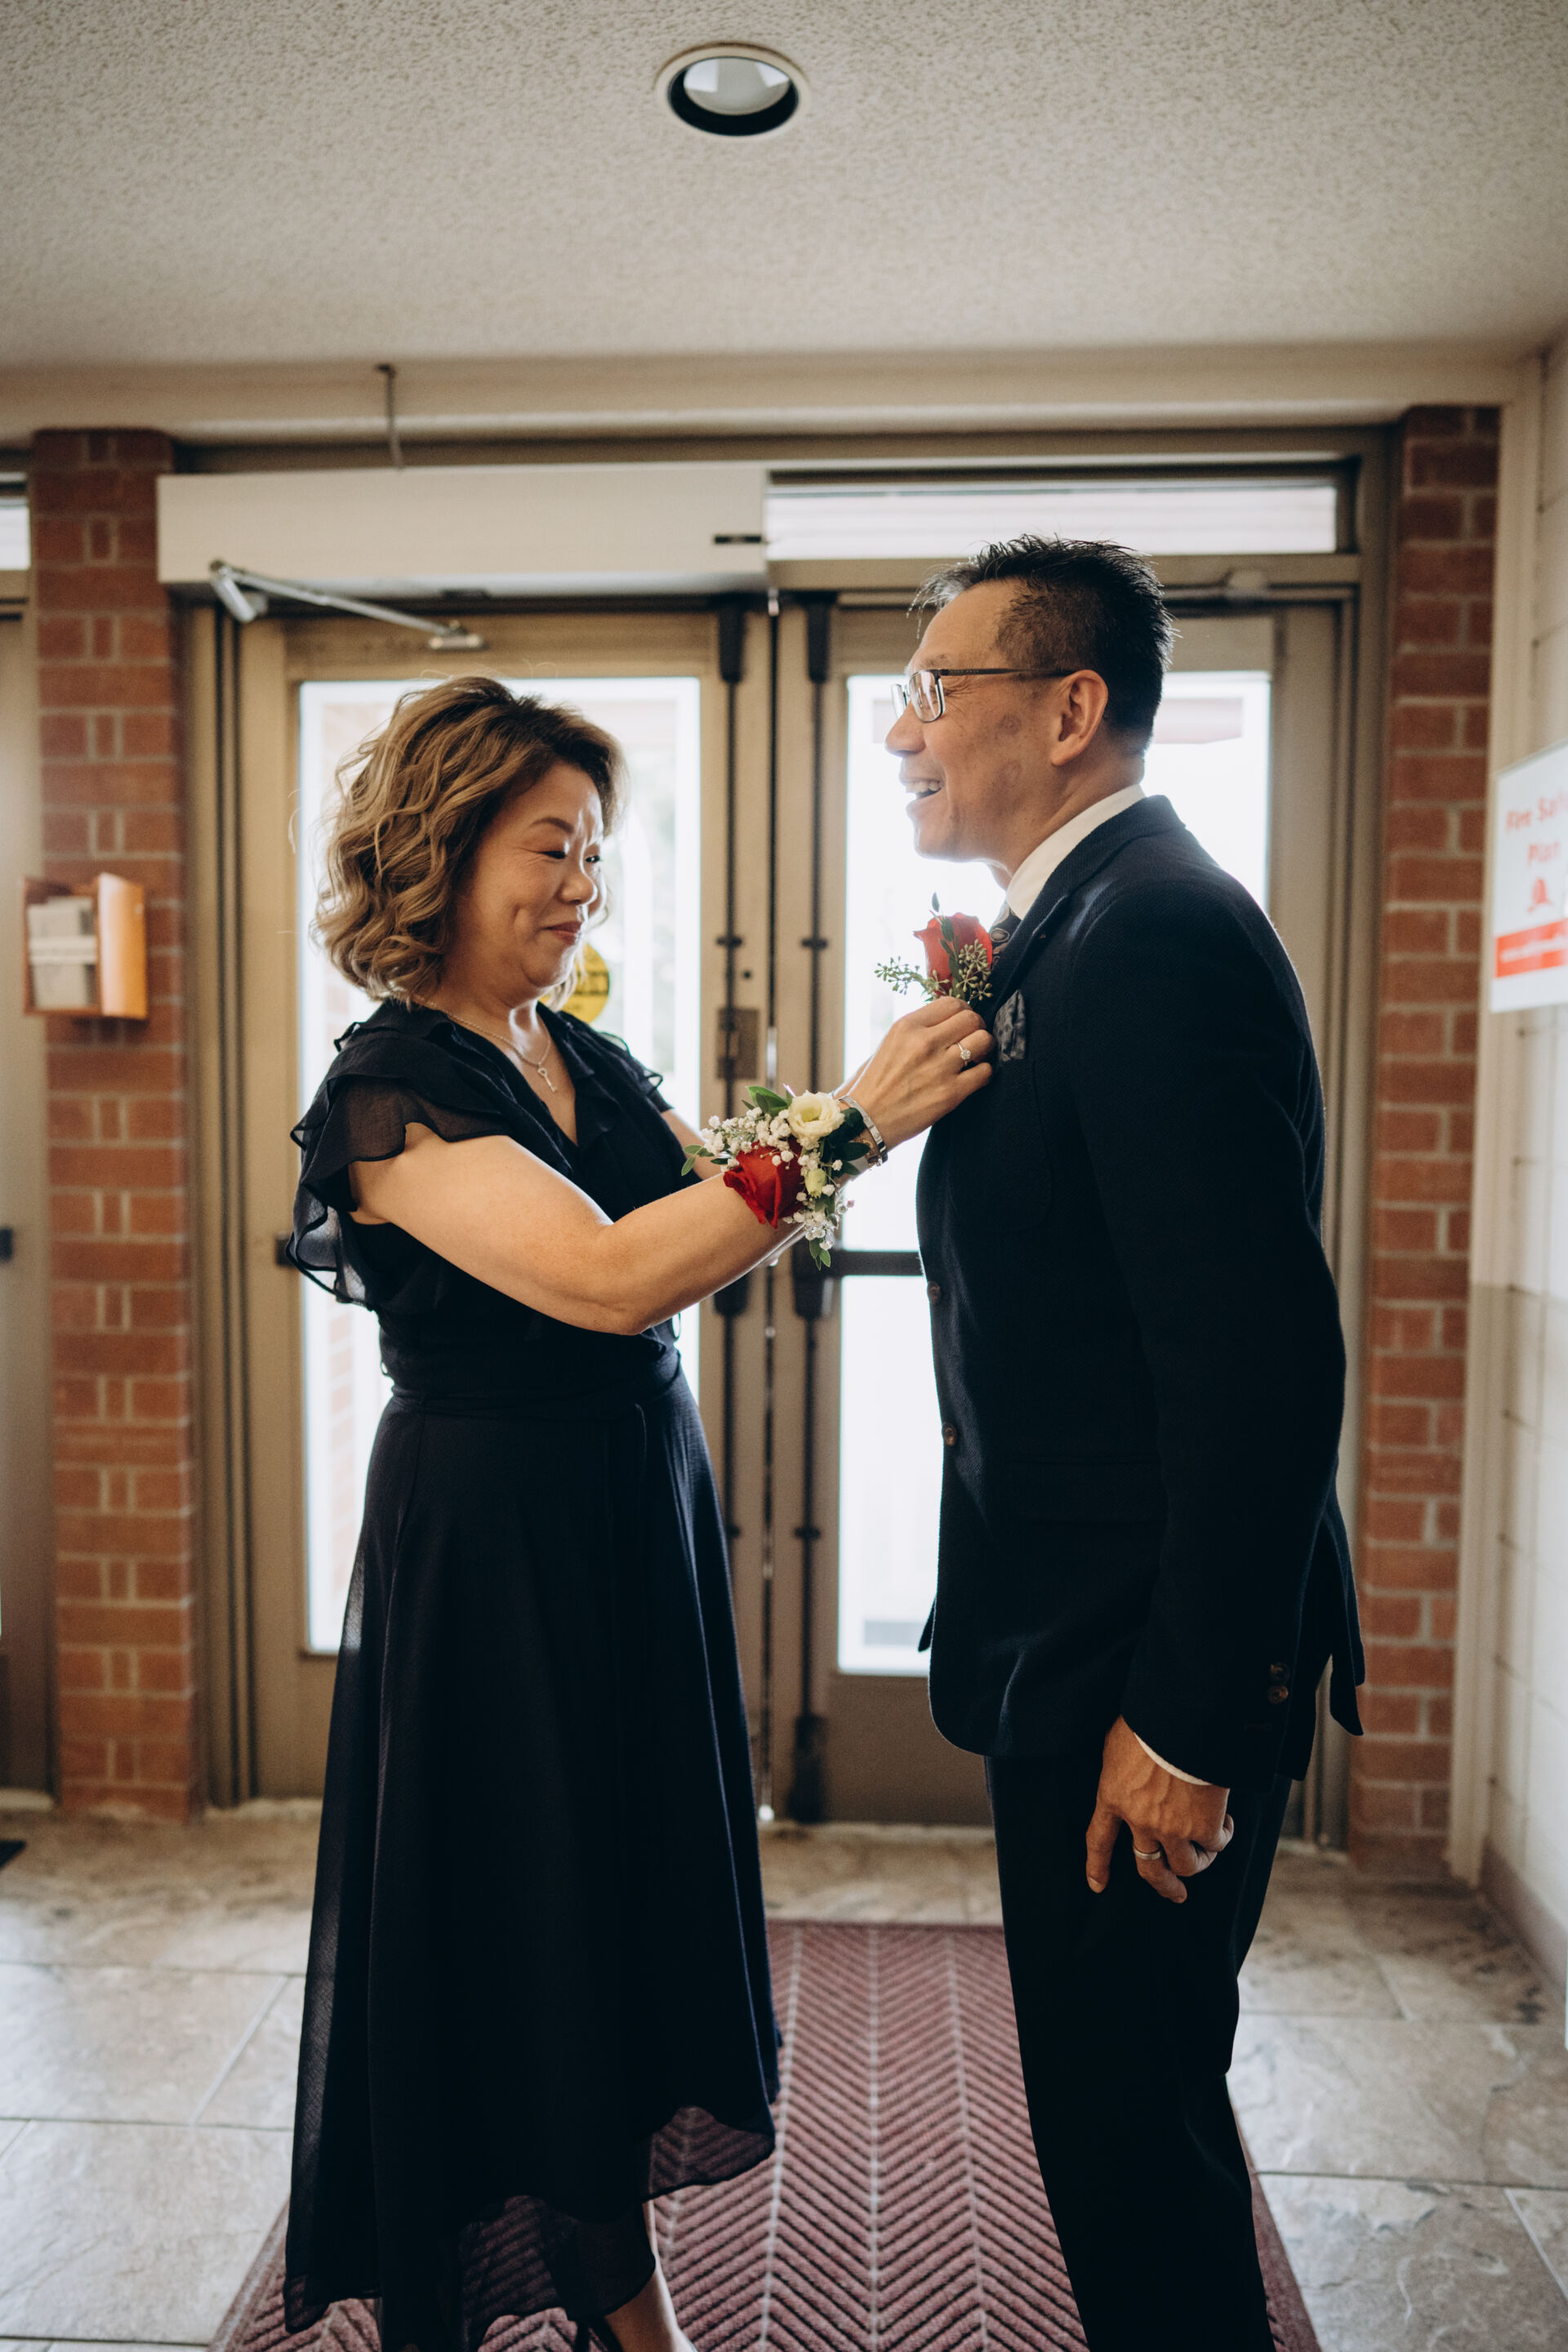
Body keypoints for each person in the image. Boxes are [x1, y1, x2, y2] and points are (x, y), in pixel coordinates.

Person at [283, 675, 993, 2352]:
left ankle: (614, 2278)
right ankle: (584, 2289)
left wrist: (887, 1106)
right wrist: (858, 1117)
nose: (581, 885)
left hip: (628, 1510)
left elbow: (713, 1211)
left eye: (595, 852)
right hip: (500, 1542)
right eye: (550, 848)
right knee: (520, 1901)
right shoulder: (393, 1091)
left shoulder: (572, 1046)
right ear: (441, 851)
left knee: (611, 1894)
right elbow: (612, 1276)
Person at [890, 537, 1363, 2352]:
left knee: (1131, 2138)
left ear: (1072, 708)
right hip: (1080, 1637)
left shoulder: (1154, 931)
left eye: (938, 691)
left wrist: (1185, 1719)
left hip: (1138, 1664)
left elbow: (1259, 1367)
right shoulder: (1075, 924)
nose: (904, 733)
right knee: (1111, 2119)